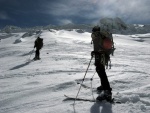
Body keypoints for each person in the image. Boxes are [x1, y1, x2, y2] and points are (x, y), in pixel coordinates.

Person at [91, 26, 112, 101]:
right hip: (102, 56)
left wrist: (96, 52)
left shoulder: (97, 36)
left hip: (100, 56)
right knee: (100, 70)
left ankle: (107, 93)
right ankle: (104, 87)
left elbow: (99, 48)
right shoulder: (101, 36)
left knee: (101, 71)